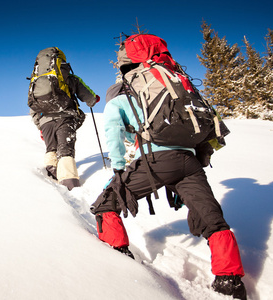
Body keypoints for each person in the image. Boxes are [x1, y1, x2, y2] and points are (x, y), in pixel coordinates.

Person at [90, 80, 247, 299]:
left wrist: (117, 168)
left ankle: (119, 258)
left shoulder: (119, 100)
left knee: (105, 203)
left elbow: (113, 129)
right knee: (212, 217)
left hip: (155, 161)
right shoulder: (167, 94)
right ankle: (229, 278)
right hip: (189, 161)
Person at [30, 48, 99, 190]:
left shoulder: (35, 80)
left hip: (45, 121)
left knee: (51, 148)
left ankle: (51, 175)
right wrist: (93, 99)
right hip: (65, 116)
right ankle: (70, 185)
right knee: (65, 148)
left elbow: (33, 106)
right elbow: (89, 96)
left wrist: (40, 126)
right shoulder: (69, 77)